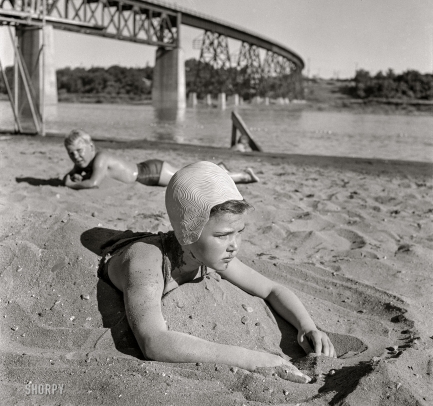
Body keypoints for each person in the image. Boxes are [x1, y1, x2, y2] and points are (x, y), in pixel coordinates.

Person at [97, 161, 336, 382]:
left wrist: (307, 326)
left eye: (239, 231)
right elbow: (154, 341)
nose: (234, 245)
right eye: (222, 235)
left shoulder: (212, 253)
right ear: (186, 232)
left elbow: (272, 289)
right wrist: (253, 360)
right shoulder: (145, 263)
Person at [63, 129, 259, 190]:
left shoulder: (100, 158)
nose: (76, 156)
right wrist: (74, 175)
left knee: (191, 181)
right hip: (148, 170)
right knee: (189, 176)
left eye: (79, 151)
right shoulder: (87, 161)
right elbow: (75, 173)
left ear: (91, 147)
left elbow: (94, 182)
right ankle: (219, 168)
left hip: (151, 173)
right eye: (72, 153)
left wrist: (71, 185)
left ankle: (240, 175)